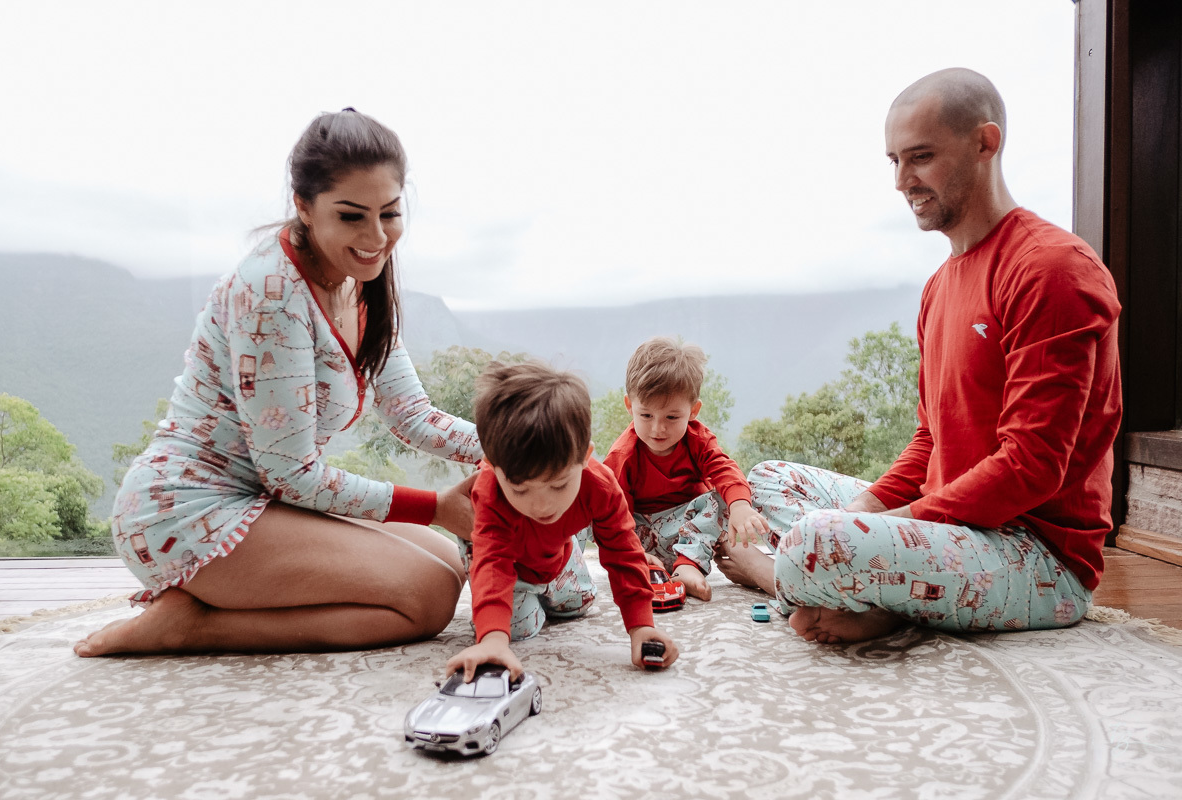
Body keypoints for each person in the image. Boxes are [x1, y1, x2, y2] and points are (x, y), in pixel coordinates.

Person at [717, 68, 1122, 644]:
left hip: (1035, 557)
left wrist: (870, 528)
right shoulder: (939, 288)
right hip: (948, 524)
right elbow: (929, 439)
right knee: (770, 482)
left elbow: (1032, 465)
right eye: (894, 161)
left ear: (986, 143)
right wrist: (864, 508)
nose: (903, 180)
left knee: (814, 541)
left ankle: (780, 580)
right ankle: (867, 598)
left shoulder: (1051, 269)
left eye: (921, 156)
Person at [74, 109, 484, 657]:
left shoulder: (358, 278)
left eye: (389, 213)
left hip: (265, 500)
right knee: (429, 597)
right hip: (188, 511)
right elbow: (291, 474)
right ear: (304, 207)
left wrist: (532, 449)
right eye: (352, 215)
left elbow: (413, 414)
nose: (376, 236)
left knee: (448, 560)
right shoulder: (271, 291)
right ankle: (190, 626)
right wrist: (434, 504)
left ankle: (218, 602)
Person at [445, 361, 679, 681]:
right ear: (491, 465)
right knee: (516, 630)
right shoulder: (489, 488)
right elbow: (493, 562)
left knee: (578, 606)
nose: (542, 505)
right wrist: (493, 639)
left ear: (585, 456)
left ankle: (561, 557)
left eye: (558, 485)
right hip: (506, 551)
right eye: (520, 489)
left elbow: (623, 552)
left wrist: (642, 626)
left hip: (553, 548)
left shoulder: (600, 484)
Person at [603, 337, 769, 601]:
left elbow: (724, 469)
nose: (658, 428)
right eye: (646, 415)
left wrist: (739, 507)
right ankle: (639, 568)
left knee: (728, 497)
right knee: (595, 499)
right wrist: (631, 550)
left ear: (693, 411)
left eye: (671, 417)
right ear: (629, 406)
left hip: (689, 537)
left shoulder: (697, 440)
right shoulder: (623, 455)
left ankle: (687, 568)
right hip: (640, 542)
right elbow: (615, 512)